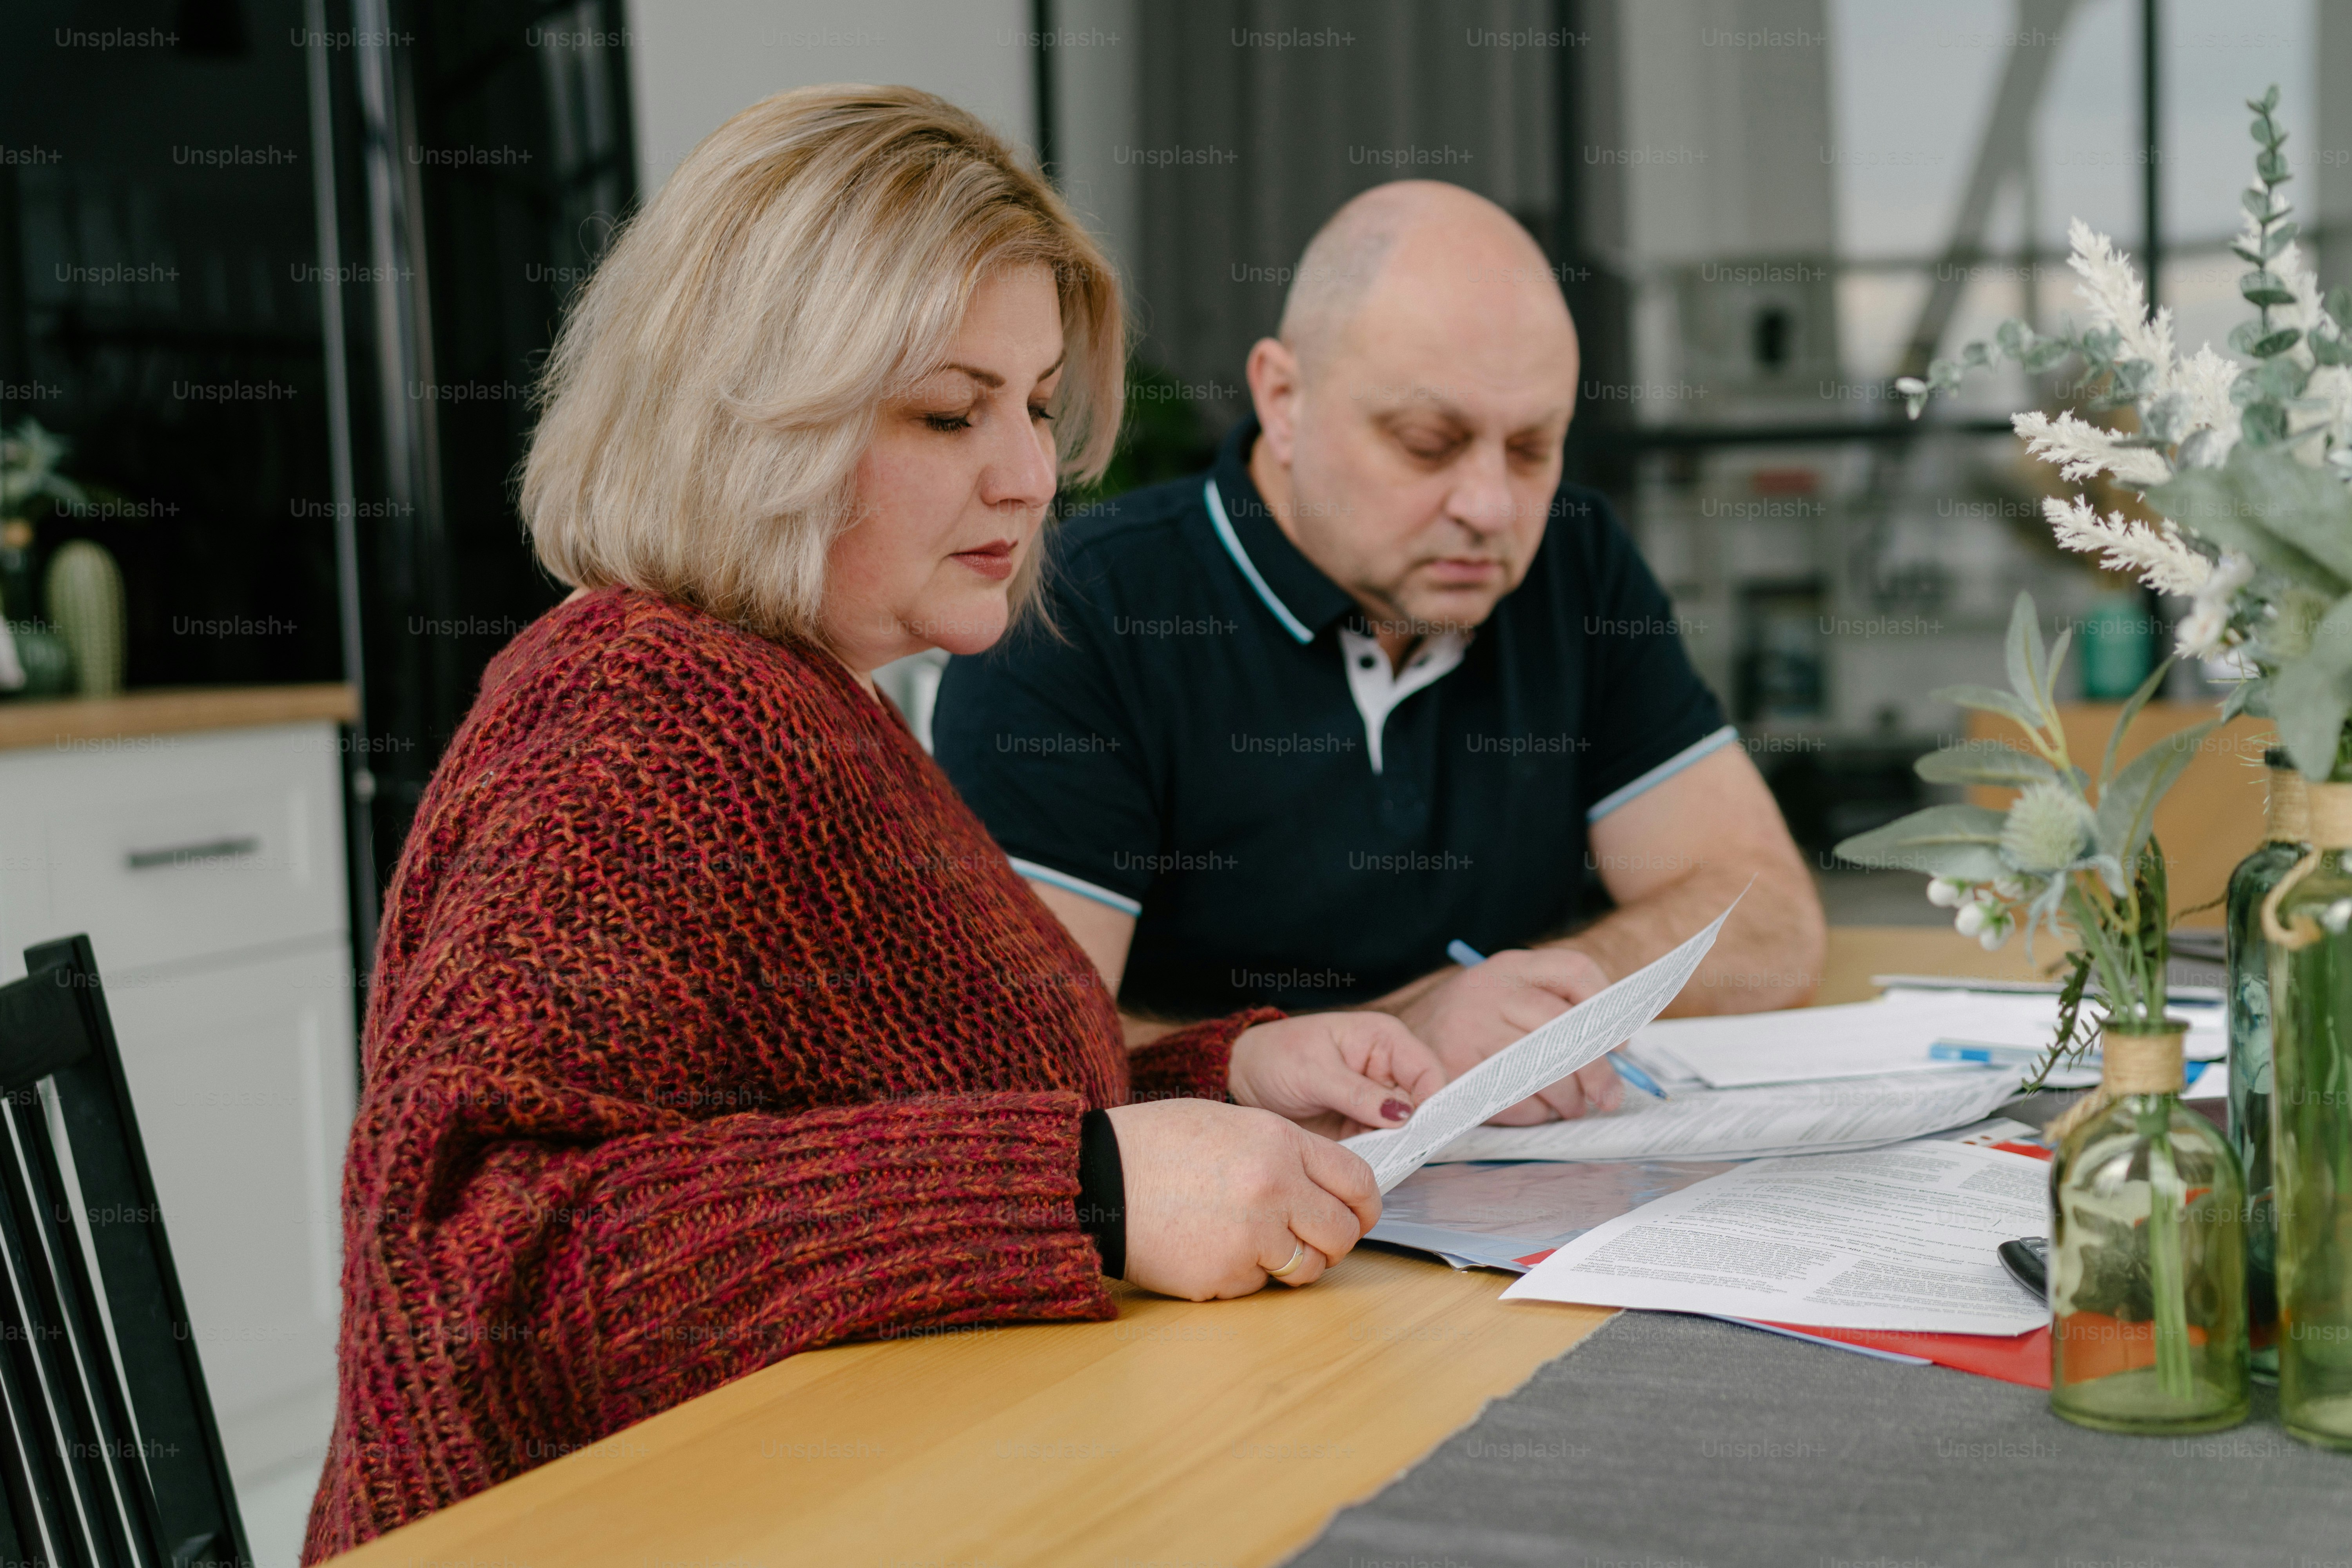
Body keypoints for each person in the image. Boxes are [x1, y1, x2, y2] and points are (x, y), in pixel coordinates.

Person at [303, 87, 1445, 1560]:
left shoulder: (808, 697)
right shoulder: (625, 718)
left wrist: (1234, 1076)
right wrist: (1091, 1190)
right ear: (751, 408)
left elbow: (889, 1111)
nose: (1030, 475)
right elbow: (474, 1275)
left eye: (1033, 405)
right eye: (949, 411)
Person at [934, 181, 1826, 1126]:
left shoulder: (1571, 560)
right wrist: (1420, 1023)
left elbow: (1770, 922)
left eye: (1531, 449)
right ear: (1283, 397)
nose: (1490, 505)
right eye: (1428, 443)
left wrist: (1566, 994)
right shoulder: (1076, 612)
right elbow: (1020, 1065)